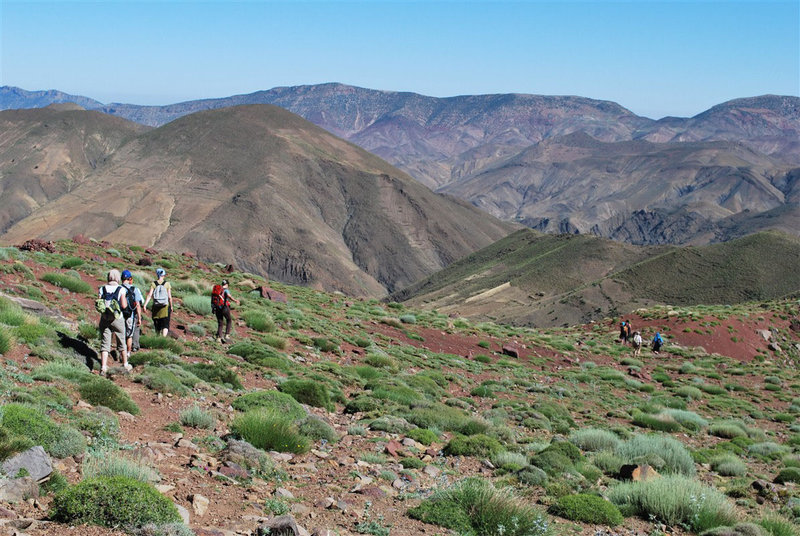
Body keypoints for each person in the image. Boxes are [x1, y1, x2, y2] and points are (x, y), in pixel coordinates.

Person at [98, 269, 132, 374]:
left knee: (105, 341)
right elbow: (124, 305)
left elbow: (99, 303)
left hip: (105, 318)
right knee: (121, 340)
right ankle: (125, 364)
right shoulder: (121, 289)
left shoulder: (102, 288)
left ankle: (103, 366)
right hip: (117, 318)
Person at [143, 268, 173, 337]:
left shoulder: (154, 284)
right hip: (165, 306)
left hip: (156, 306)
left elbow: (150, 295)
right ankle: (163, 339)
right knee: (165, 323)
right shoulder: (167, 284)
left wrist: (145, 305)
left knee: (157, 322)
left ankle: (157, 336)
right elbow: (169, 297)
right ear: (163, 275)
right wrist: (171, 306)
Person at [121, 269, 144, 355]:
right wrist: (139, 318)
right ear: (130, 279)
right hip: (131, 314)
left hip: (119, 314)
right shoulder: (135, 289)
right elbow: (138, 304)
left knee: (121, 333)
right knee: (129, 335)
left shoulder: (118, 288)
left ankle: (120, 350)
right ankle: (128, 352)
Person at [212, 279, 240, 343]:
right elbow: (229, 296)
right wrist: (235, 300)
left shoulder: (217, 289)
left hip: (217, 308)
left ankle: (218, 338)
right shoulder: (226, 290)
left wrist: (213, 308)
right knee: (229, 320)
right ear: (227, 284)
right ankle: (227, 335)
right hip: (224, 307)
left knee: (220, 323)